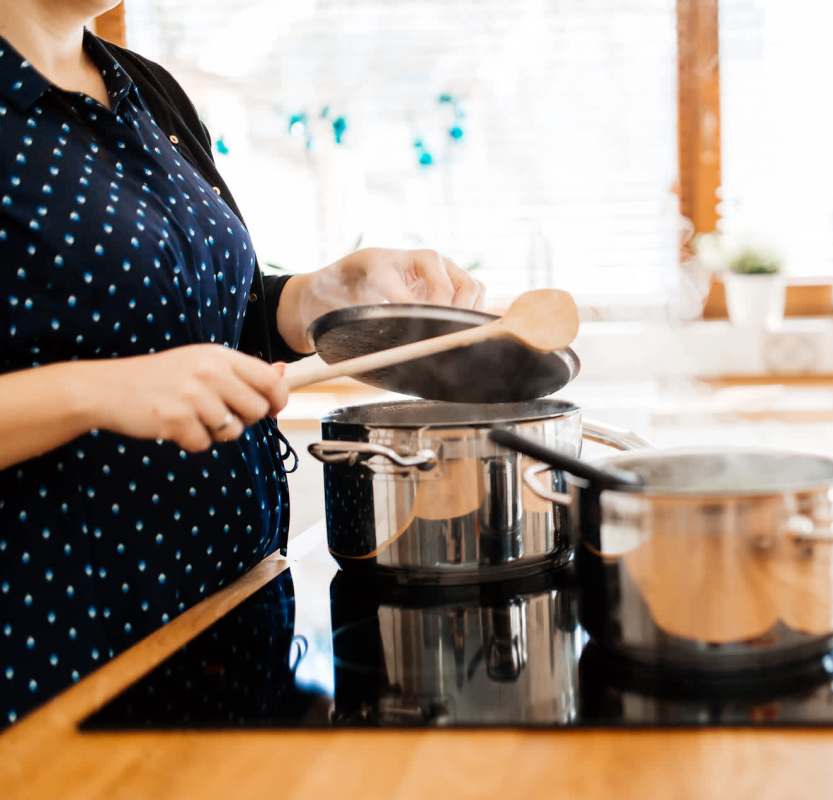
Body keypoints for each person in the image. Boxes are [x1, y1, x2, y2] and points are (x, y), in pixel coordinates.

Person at [0, 0, 485, 726]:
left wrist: (319, 298)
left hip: (226, 623)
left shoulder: (143, 87)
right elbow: (130, 368)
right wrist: (92, 393)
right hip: (61, 668)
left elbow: (196, 321)